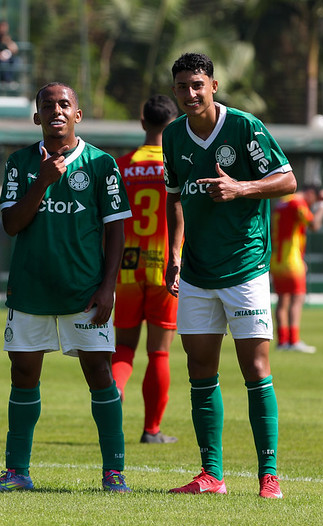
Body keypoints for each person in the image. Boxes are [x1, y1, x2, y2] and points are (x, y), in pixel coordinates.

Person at [0, 82, 132, 493]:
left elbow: (116, 231)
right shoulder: (20, 163)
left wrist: (108, 288)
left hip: (84, 292)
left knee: (99, 373)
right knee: (24, 374)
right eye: (47, 106)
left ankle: (113, 471)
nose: (56, 111)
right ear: (37, 117)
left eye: (65, 104)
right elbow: (11, 225)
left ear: (77, 115)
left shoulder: (102, 164)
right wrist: (43, 181)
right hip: (31, 291)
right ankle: (17, 471)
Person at [163, 52, 296, 499]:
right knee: (200, 370)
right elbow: (175, 197)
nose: (190, 93)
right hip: (197, 272)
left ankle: (269, 475)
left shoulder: (244, 127)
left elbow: (287, 180)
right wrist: (175, 252)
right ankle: (212, 475)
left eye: (197, 84)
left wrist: (241, 187)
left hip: (245, 268)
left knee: (255, 369)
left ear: (213, 86)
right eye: (182, 86)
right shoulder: (172, 135)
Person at [112, 94, 179, 444]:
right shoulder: (176, 164)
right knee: (159, 351)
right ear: (174, 123)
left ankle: (114, 393)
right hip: (165, 266)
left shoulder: (121, 165)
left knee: (123, 347)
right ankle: (152, 430)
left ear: (142, 122)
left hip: (125, 268)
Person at [270, 184, 323, 352]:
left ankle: (282, 342)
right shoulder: (297, 203)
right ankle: (293, 340)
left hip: (276, 259)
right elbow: (314, 225)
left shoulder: (282, 202)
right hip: (291, 260)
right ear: (310, 193)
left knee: (282, 301)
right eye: (314, 200)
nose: (312, 203)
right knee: (297, 299)